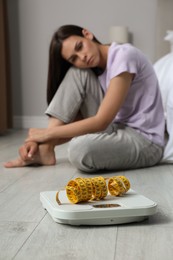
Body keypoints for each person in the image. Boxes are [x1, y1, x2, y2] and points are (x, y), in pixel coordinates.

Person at [4, 24, 165, 172]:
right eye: (73, 58)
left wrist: (46, 134)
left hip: (146, 142)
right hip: (116, 128)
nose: (82, 57)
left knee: (78, 150)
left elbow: (101, 121)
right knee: (78, 72)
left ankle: (46, 145)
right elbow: (85, 121)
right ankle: (45, 150)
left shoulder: (124, 56)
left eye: (79, 47)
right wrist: (39, 141)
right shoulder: (97, 69)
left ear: (87, 34)